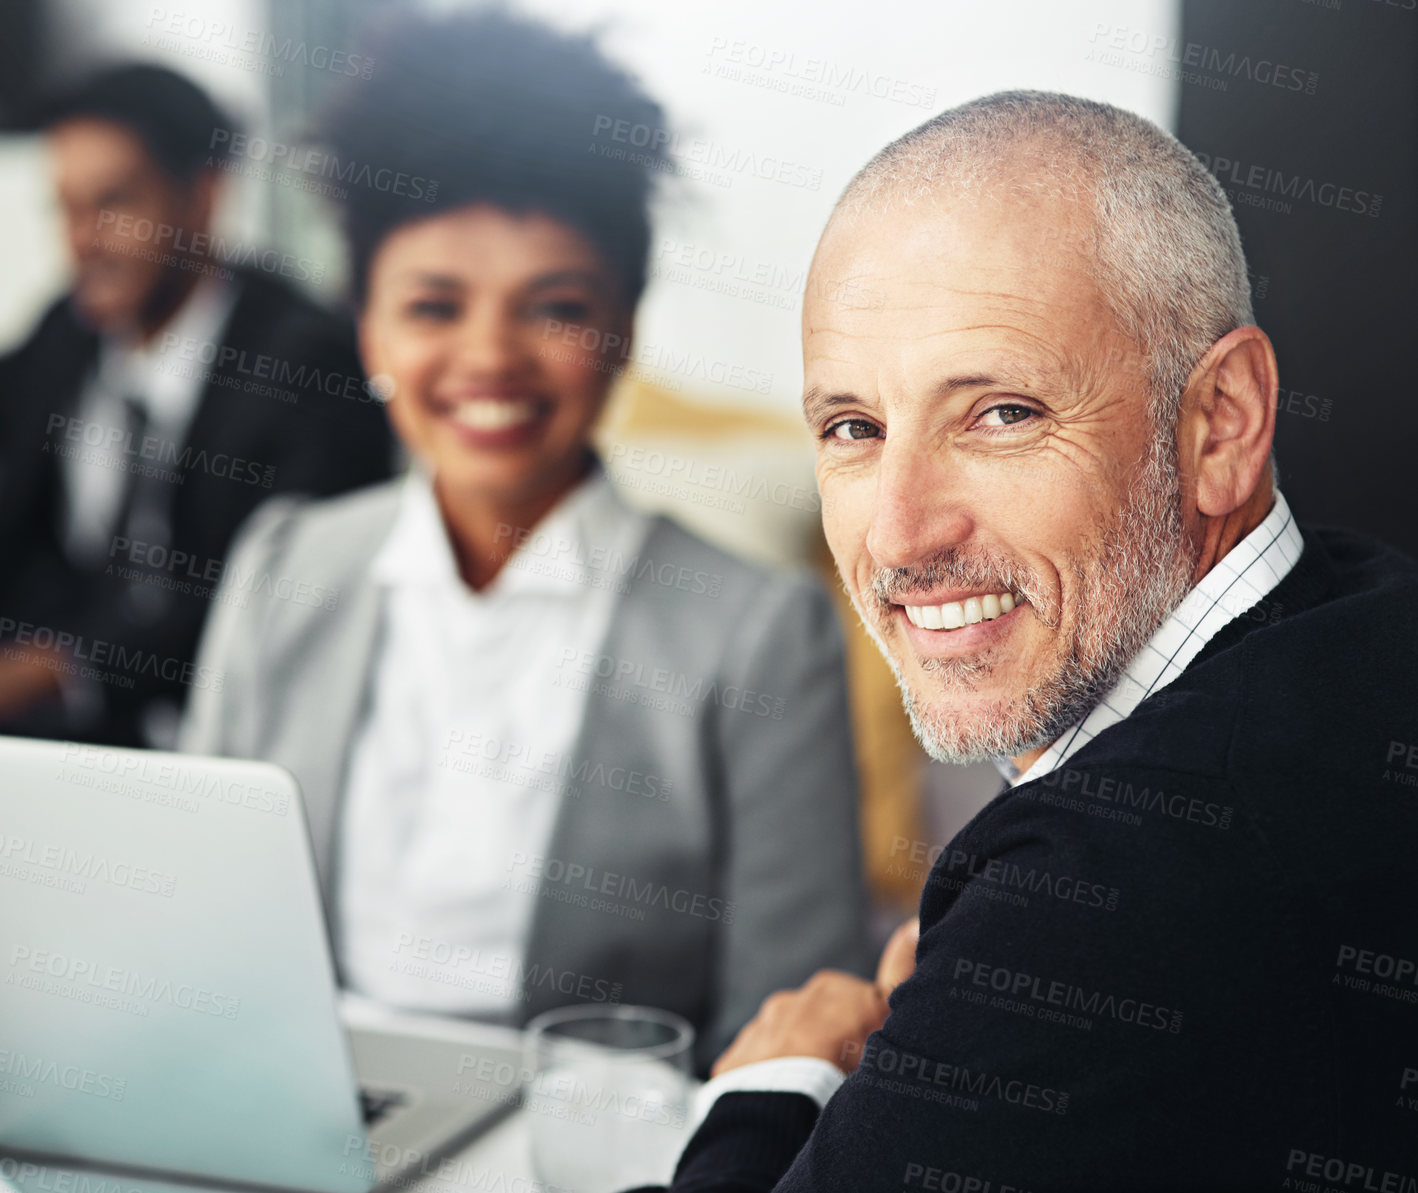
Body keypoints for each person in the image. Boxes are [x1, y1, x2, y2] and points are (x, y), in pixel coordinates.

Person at [650, 91, 1418, 1188]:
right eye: (855, 428)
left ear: (1223, 423)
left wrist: (769, 1086)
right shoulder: (1361, 611)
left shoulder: (1105, 886)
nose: (903, 530)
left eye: (1001, 412)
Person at [179, 11, 871, 1067]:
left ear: (624, 331)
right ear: (370, 332)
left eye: (552, 306)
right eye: (433, 306)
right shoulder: (284, 567)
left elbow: (784, 1031)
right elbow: (208, 926)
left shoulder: (759, 631)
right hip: (293, 1098)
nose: (489, 356)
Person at [0, 64, 393, 746]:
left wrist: (61, 668)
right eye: (66, 208)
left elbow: (277, 588)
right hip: (27, 729)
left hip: (203, 734)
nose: (81, 242)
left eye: (113, 204)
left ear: (205, 195)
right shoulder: (71, 334)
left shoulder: (304, 361)